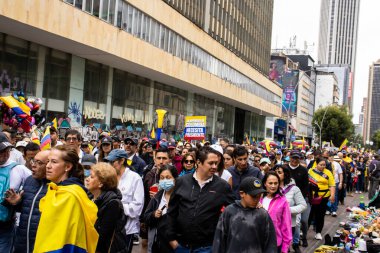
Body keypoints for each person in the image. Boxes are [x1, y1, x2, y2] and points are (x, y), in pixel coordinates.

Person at [167, 147, 235, 253]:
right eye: (211, 163)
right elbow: (172, 212)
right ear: (198, 162)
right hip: (181, 246)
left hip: (207, 247)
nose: (214, 167)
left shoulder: (222, 186)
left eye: (216, 163)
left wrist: (254, 204)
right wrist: (172, 240)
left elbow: (235, 208)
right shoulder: (182, 181)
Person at [33, 145, 98, 252]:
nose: (48, 166)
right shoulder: (54, 189)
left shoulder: (70, 196)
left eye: (54, 162)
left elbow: (68, 237)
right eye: (48, 161)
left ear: (67, 167)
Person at [212, 177, 277, 253]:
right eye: (253, 196)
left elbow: (270, 243)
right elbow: (219, 240)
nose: (257, 199)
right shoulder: (229, 211)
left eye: (259, 196)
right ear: (242, 193)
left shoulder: (262, 214)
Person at [5, 150, 50, 253]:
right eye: (33, 161)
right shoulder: (29, 180)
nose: (33, 166)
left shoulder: (58, 186)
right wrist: (16, 202)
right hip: (23, 242)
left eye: (39, 163)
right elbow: (27, 208)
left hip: (42, 245)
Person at [105, 149, 144, 253]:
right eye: (108, 162)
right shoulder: (109, 177)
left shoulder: (135, 178)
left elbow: (137, 208)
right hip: (109, 228)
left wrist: (117, 206)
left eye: (112, 162)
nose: (110, 165)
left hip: (127, 229)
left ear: (122, 161)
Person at [86, 162, 128, 253]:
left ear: (101, 183)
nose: (87, 179)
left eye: (92, 177)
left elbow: (103, 236)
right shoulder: (89, 196)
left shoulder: (113, 203)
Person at [143, 165, 178, 253]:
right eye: (162, 178)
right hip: (157, 243)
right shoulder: (157, 197)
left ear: (175, 179)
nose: (165, 180)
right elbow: (146, 216)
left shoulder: (180, 197)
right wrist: (154, 214)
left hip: (174, 245)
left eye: (168, 177)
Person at [276, 166, 306, 253]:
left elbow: (303, 205)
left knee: (284, 248)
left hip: (288, 224)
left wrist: (287, 210)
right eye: (275, 172)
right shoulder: (270, 188)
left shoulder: (293, 189)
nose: (276, 174)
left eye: (279, 172)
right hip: (273, 224)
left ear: (285, 175)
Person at [261, 171, 292, 253]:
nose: (273, 186)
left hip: (275, 243)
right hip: (258, 242)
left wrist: (285, 247)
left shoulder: (283, 201)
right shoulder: (258, 199)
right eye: (270, 183)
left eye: (276, 183)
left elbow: (286, 225)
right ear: (265, 183)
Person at [284, 150, 310, 247]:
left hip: (299, 199)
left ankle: (302, 238)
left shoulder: (303, 170)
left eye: (297, 158)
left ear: (300, 159)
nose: (294, 160)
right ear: (289, 158)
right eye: (293, 157)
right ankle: (291, 242)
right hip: (286, 198)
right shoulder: (284, 168)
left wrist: (299, 199)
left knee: (301, 221)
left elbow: (305, 186)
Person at [308, 157, 335, 240]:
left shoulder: (328, 173)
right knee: (309, 214)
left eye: (324, 165)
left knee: (320, 215)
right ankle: (304, 230)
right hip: (312, 196)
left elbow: (332, 185)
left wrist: (332, 195)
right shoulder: (310, 171)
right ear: (316, 164)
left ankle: (318, 232)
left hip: (324, 196)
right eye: (321, 165)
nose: (323, 166)